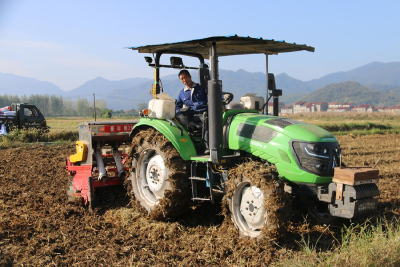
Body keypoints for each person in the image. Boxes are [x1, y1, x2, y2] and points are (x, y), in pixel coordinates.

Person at [175, 69, 209, 154]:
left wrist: (224, 96)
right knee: (205, 120)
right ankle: (206, 147)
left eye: (185, 77)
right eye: (182, 79)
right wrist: (179, 114)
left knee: (207, 118)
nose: (184, 80)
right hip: (192, 116)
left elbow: (214, 94)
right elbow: (177, 106)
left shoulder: (201, 88)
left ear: (190, 76)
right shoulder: (182, 93)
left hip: (204, 112)